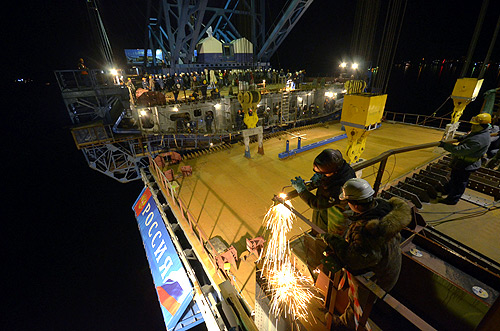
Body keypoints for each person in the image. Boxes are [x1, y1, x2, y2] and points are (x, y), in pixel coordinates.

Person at [322, 178, 411, 329]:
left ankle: (345, 323)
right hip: (391, 264)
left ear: (355, 205)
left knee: (357, 303)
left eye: (348, 202)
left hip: (376, 277)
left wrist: (332, 240)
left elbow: (354, 260)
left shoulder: (367, 231)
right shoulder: (384, 207)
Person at [291, 149, 356, 232]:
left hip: (337, 215)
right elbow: (331, 176)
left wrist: (302, 190)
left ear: (332, 171)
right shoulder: (343, 168)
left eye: (324, 173)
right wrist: (321, 176)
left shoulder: (338, 189)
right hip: (330, 206)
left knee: (329, 235)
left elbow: (317, 204)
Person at [438, 113, 492, 205]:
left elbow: (459, 150)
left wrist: (445, 145)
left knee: (459, 182)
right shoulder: (481, 132)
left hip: (466, 165)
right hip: (462, 162)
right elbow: (471, 136)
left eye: (475, 125)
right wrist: (461, 138)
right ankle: (447, 190)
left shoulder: (479, 140)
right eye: (472, 125)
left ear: (483, 126)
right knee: (455, 178)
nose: (472, 127)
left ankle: (452, 199)